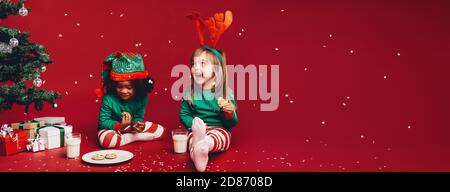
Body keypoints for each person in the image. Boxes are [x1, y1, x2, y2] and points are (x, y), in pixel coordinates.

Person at [180, 10, 237, 172]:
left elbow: (232, 123)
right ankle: (198, 150)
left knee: (221, 138)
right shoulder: (190, 92)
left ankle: (205, 146)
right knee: (190, 139)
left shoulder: (225, 93)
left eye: (202, 64)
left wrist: (229, 112)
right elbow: (184, 114)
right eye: (193, 64)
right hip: (198, 128)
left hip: (219, 129)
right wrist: (193, 125)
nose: (195, 68)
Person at [96, 52, 165, 148]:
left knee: (161, 131)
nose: (124, 91)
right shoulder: (108, 98)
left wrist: (137, 124)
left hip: (130, 127)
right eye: (119, 87)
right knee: (107, 141)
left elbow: (138, 117)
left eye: (129, 88)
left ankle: (127, 137)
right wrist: (120, 126)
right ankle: (132, 138)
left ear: (137, 86)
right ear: (114, 85)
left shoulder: (142, 98)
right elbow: (103, 121)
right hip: (111, 128)